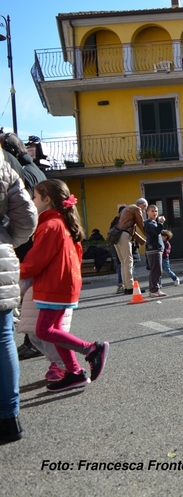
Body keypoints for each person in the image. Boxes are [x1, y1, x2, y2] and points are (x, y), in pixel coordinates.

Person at [21, 179, 109, 393]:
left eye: (34, 197)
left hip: (54, 285)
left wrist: (13, 270)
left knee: (44, 330)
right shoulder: (62, 222)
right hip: (63, 284)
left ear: (47, 199)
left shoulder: (50, 225)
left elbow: (35, 262)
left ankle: (91, 349)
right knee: (54, 329)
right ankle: (74, 372)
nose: (32, 201)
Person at [0, 149, 36, 443]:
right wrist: (6, 240)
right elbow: (26, 217)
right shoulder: (2, 164)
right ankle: (8, 419)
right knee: (2, 338)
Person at [113, 198, 147, 295]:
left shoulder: (126, 210)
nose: (144, 210)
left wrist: (143, 241)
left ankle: (127, 286)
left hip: (116, 236)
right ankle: (130, 287)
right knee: (128, 261)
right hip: (123, 236)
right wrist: (149, 235)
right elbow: (141, 224)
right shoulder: (136, 209)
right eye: (144, 207)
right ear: (141, 204)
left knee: (123, 262)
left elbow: (133, 231)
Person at [144, 204, 167, 298]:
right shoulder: (148, 223)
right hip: (153, 249)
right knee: (156, 270)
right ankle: (154, 290)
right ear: (147, 212)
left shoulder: (153, 222)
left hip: (156, 249)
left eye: (156, 211)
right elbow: (156, 231)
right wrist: (161, 222)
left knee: (156, 270)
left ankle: (154, 289)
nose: (154, 213)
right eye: (152, 211)